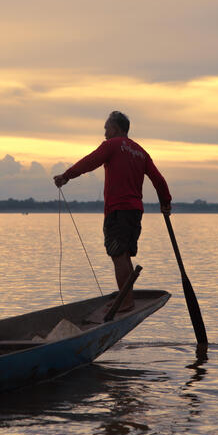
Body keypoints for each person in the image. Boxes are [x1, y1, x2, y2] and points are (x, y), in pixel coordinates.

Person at [53, 111, 172, 311]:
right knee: (124, 255)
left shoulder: (111, 145)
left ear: (115, 129)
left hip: (118, 210)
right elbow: (159, 179)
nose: (105, 134)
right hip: (135, 212)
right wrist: (165, 203)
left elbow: (90, 161)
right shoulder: (141, 152)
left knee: (118, 255)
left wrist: (66, 176)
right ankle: (126, 298)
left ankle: (125, 302)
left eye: (107, 129)